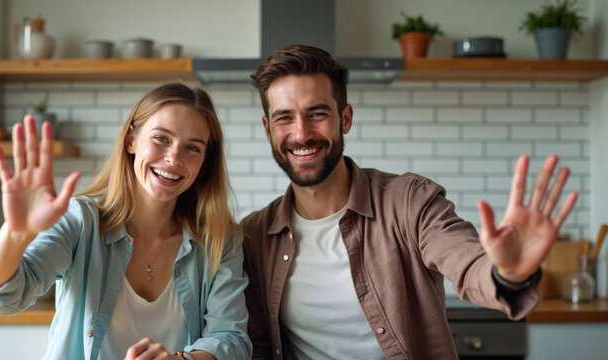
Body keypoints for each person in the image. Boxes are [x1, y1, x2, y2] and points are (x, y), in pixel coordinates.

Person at [240, 44, 578, 359]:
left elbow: (465, 260)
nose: (301, 134)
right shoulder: (254, 236)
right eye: (285, 118)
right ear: (268, 129)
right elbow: (254, 344)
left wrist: (506, 274)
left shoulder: (409, 202)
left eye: (317, 114)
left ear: (345, 118)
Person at [0, 83, 252, 360]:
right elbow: (0, 297)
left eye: (193, 148)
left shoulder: (219, 239)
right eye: (161, 138)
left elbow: (232, 339)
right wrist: (15, 233)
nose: (174, 158)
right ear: (131, 141)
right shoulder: (81, 222)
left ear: (204, 163)